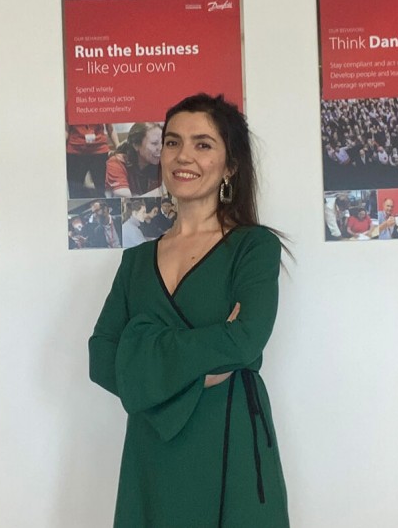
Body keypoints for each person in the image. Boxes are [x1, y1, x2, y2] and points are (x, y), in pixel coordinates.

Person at [89, 94, 289, 527]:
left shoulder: (254, 247)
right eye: (173, 142)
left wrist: (141, 350)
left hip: (229, 438)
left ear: (230, 165)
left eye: (203, 144)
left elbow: (246, 339)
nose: (183, 156)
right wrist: (204, 367)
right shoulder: (135, 262)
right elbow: (101, 357)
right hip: (151, 448)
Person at [105, 123, 163, 197]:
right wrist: (163, 191)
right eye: (154, 143)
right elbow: (125, 197)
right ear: (136, 145)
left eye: (163, 143)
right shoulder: (116, 162)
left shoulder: (163, 162)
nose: (161, 148)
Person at [66, 124, 119, 198]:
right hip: (75, 151)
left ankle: (104, 204)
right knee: (75, 191)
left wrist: (118, 147)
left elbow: (110, 127)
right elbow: (66, 129)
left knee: (103, 189)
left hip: (99, 150)